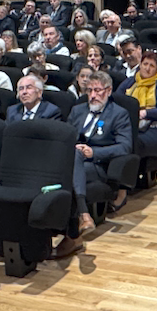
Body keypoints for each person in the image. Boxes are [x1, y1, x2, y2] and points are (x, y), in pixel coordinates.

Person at [64, 70, 133, 255]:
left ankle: (73, 235)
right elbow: (66, 136)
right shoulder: (77, 110)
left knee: (73, 163)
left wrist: (95, 152)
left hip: (99, 165)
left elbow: (125, 147)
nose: (92, 95)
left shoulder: (119, 114)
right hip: (73, 161)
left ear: (108, 91)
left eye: (97, 90)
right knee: (73, 156)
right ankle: (82, 215)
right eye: (89, 91)